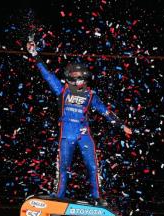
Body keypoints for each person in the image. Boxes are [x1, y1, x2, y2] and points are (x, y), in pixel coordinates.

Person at [26, 40, 132, 206]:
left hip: (84, 135)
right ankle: (59, 196)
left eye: (80, 77)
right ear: (69, 77)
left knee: (93, 167)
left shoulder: (90, 95)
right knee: (63, 168)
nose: (78, 80)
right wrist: (34, 54)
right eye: (74, 77)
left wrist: (121, 125)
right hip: (66, 136)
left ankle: (97, 197)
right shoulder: (62, 90)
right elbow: (48, 75)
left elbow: (105, 111)